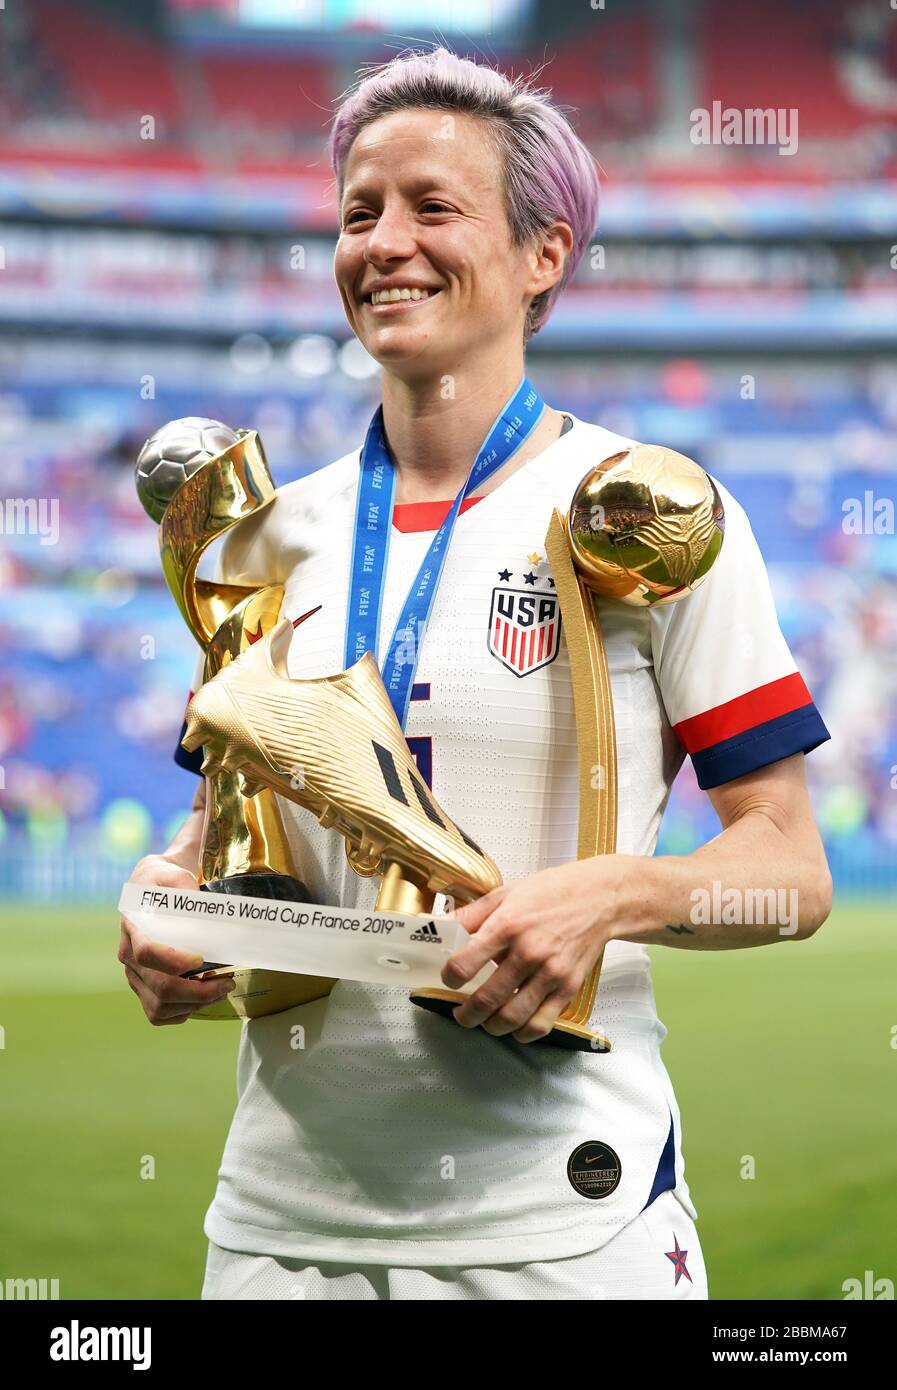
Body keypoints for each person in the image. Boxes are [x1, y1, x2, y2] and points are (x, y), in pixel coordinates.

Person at [118, 47, 832, 1301]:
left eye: (432, 208)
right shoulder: (263, 539)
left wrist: (611, 896)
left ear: (544, 255)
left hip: (566, 1221)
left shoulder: (649, 511)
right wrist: (169, 905)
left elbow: (789, 872)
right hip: (282, 1230)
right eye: (358, 213)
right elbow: (218, 832)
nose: (384, 241)